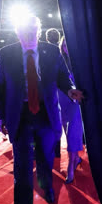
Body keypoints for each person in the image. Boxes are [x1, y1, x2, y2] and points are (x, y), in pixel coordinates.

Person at [0, 16, 84, 204]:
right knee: (22, 167)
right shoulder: (7, 54)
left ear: (38, 31)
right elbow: (0, 87)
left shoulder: (51, 51)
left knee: (45, 157)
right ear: (17, 34)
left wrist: (70, 90)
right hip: (20, 115)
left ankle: (47, 185)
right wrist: (0, 117)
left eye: (32, 33)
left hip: (46, 113)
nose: (29, 38)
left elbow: (63, 77)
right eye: (24, 34)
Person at [58, 36, 84, 184]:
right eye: (64, 44)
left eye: (69, 44)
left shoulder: (79, 62)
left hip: (74, 102)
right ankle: (75, 158)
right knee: (67, 135)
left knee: (72, 133)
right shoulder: (58, 61)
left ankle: (71, 167)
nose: (66, 47)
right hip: (60, 102)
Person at [45, 28, 63, 157]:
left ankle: (52, 149)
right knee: (58, 119)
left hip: (50, 90)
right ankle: (56, 150)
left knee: (50, 119)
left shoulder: (43, 51)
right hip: (62, 89)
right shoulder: (61, 50)